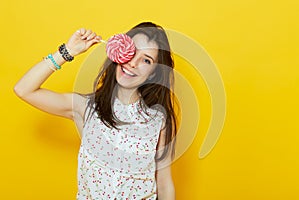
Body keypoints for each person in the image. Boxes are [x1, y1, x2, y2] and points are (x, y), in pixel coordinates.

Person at [14, 22, 177, 199]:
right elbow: (24, 90)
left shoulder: (157, 120)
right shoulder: (86, 107)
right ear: (119, 52)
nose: (133, 63)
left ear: (153, 72)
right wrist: (68, 51)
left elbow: (164, 183)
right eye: (132, 51)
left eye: (146, 60)